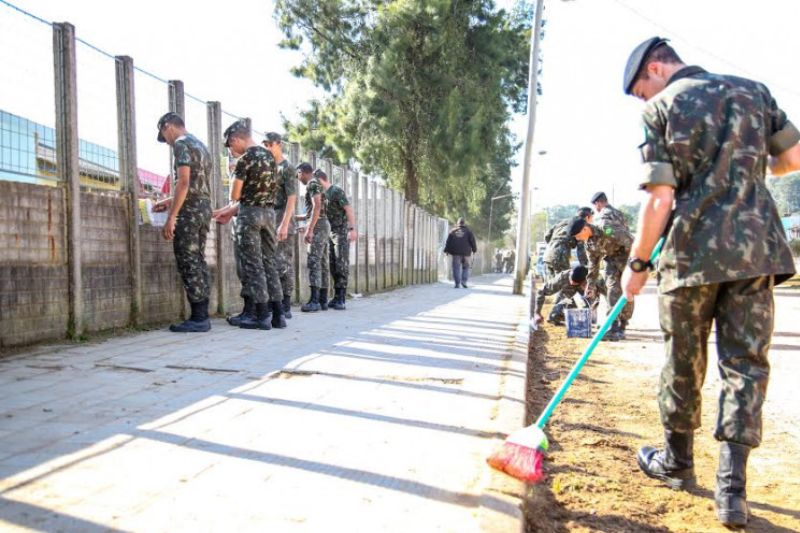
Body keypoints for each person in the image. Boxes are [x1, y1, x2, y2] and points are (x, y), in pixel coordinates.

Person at [620, 37, 800, 528]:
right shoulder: (754, 92)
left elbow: (659, 199)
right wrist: (744, 170)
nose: (643, 99)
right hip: (754, 251)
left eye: (641, 89)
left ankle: (677, 462)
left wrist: (637, 266)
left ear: (656, 68)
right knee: (746, 365)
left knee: (684, 357)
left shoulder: (662, 108)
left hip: (691, 254)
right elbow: (792, 159)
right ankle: (732, 492)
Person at [213, 121, 286, 330]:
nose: (230, 150)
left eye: (229, 145)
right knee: (269, 262)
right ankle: (278, 315)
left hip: (249, 215)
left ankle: (261, 316)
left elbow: (235, 195)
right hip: (269, 215)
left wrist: (234, 174)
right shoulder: (271, 158)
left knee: (253, 265)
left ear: (236, 139)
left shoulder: (245, 160)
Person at [153, 112, 212, 333]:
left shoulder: (180, 143)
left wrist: (172, 217)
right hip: (204, 207)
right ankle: (202, 313)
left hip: (190, 211)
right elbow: (197, 183)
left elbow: (185, 182)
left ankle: (199, 318)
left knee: (188, 260)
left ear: (168, 127)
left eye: (164, 136)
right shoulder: (202, 145)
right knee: (197, 258)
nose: (166, 142)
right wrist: (169, 201)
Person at [569, 216, 633, 341]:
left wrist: (637, 264)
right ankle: (613, 327)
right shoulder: (589, 244)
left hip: (628, 259)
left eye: (577, 235)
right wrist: (590, 284)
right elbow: (593, 265)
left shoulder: (606, 228)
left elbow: (630, 241)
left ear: (585, 229)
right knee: (612, 290)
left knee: (627, 290)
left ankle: (623, 324)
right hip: (611, 262)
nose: (577, 239)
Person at [263, 133, 297, 319]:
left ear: (278, 145)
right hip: (270, 218)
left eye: (270, 144)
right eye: (265, 145)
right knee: (271, 261)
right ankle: (275, 303)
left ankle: (285, 304)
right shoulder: (269, 168)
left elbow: (292, 198)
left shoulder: (287, 168)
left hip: (283, 218)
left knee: (283, 262)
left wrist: (284, 224)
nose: (267, 148)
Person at [317, 171, 357, 310]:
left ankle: (341, 297)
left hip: (341, 231)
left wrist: (352, 229)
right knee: (332, 264)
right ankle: (336, 296)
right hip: (329, 232)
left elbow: (348, 209)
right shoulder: (322, 195)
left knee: (341, 263)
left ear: (320, 180)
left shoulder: (336, 191)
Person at [296, 165, 330, 312]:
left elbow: (317, 207)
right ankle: (323, 301)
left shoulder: (312, 183)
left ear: (301, 172)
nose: (298, 179)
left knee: (314, 261)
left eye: (298, 175)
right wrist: (292, 218)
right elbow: (314, 210)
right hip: (323, 223)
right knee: (322, 261)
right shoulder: (318, 184)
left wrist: (310, 229)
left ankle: (314, 301)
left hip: (318, 226)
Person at [543, 207, 592, 279]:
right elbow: (581, 250)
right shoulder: (580, 225)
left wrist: (554, 245)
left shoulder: (563, 221)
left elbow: (547, 236)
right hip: (560, 256)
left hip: (547, 255)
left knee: (551, 285)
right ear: (587, 217)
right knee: (564, 283)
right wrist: (585, 267)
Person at [443, 217, 477, 288]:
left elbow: (448, 242)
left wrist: (446, 250)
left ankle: (457, 283)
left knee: (456, 268)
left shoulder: (452, 231)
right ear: (464, 223)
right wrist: (474, 250)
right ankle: (464, 281)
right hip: (466, 254)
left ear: (457, 223)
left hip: (456, 253)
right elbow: (473, 242)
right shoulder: (468, 232)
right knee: (466, 267)